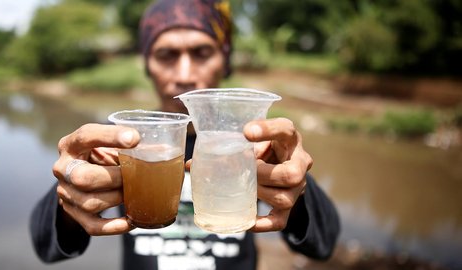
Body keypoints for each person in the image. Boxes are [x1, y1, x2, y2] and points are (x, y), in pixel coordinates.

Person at [30, 0, 340, 269]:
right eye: (167, 55)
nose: (184, 74)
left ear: (225, 61)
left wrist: (296, 189)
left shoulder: (254, 146)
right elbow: (46, 248)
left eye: (201, 52)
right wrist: (69, 199)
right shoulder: (122, 145)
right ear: (148, 65)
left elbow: (322, 244)